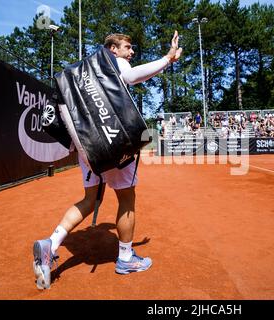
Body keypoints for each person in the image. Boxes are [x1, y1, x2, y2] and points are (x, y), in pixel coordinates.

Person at [32, 31, 183, 290]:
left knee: (90, 200)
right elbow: (133, 75)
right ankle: (126, 258)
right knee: (126, 198)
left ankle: (51, 244)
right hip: (112, 146)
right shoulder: (111, 63)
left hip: (86, 149)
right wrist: (168, 58)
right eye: (127, 47)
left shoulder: (85, 70)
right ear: (112, 49)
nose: (131, 52)